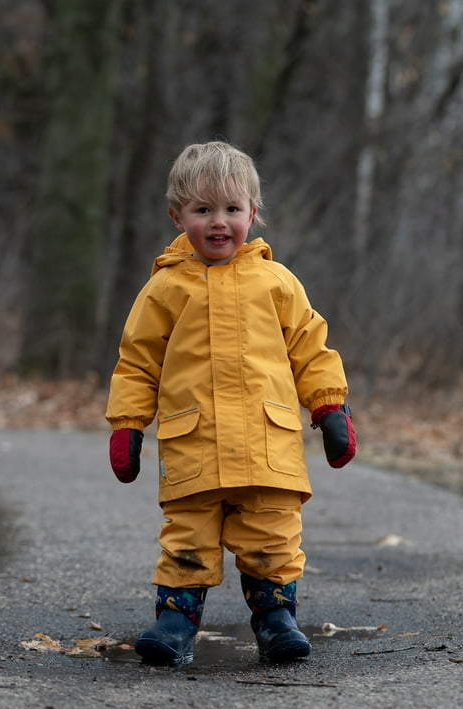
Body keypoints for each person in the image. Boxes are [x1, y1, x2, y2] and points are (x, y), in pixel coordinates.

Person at [106, 141, 355, 665]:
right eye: (203, 209)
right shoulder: (164, 290)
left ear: (253, 213)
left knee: (272, 538)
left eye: (231, 209)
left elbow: (310, 348)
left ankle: (276, 620)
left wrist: (330, 406)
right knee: (187, 539)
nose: (218, 222)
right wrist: (128, 424)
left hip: (268, 445)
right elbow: (138, 362)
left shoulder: (277, 283)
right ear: (177, 217)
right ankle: (175, 623)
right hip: (193, 445)